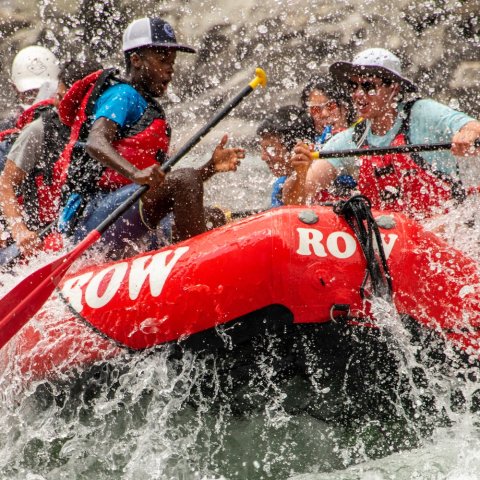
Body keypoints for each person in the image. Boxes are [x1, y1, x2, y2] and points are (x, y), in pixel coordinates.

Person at [58, 17, 244, 255]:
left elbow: (160, 188)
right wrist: (136, 174)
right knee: (185, 178)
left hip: (124, 209)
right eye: (162, 60)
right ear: (136, 60)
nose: (170, 69)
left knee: (214, 216)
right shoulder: (122, 95)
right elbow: (96, 141)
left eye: (173, 62)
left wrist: (210, 168)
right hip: (94, 217)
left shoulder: (149, 108)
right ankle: (191, 267)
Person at [293, 48, 480, 219]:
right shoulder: (351, 139)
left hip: (444, 230)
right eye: (353, 86)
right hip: (389, 240)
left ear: (394, 88)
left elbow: (473, 127)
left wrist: (467, 136)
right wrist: (300, 174)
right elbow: (296, 201)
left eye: (368, 86)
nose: (358, 94)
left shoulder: (422, 113)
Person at [0, 59, 102, 257]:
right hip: (36, 236)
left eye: (62, 97)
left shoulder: (106, 123)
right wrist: (20, 231)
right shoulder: (40, 130)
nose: (57, 102)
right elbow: (5, 184)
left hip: (78, 227)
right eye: (58, 95)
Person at [283, 74, 357, 205]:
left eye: (331, 106)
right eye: (316, 109)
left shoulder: (361, 137)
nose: (324, 114)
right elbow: (292, 200)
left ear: (345, 107)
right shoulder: (309, 146)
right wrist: (299, 173)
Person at [256, 105, 313, 207]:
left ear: (296, 148)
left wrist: (300, 176)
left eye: (270, 149)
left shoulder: (320, 173)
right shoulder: (279, 184)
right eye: (263, 149)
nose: (263, 157)